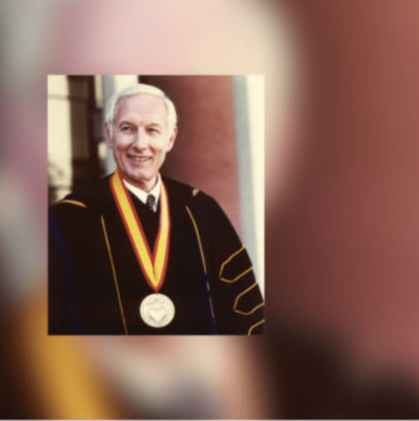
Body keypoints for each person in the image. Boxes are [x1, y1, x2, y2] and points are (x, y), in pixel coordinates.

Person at [49, 84, 264, 335]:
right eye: (127, 129)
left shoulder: (202, 211)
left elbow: (245, 310)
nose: (140, 144)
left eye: (153, 130)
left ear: (170, 138)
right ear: (109, 134)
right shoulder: (69, 218)